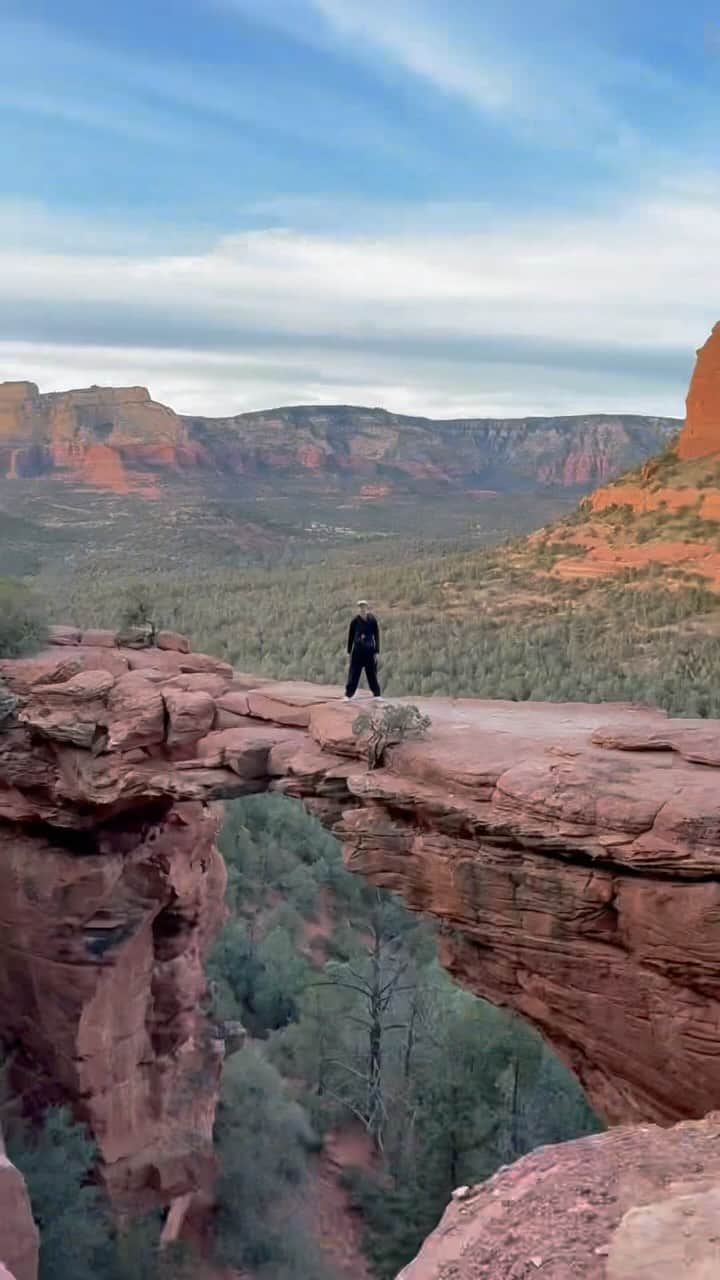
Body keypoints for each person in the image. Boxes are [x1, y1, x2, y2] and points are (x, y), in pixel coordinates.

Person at [344, 599, 382, 701]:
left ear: (367, 608)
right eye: (360, 607)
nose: (362, 609)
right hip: (357, 652)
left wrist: (377, 651)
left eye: (364, 607)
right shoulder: (355, 621)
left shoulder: (372, 620)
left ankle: (377, 694)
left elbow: (377, 635)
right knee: (354, 673)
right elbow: (350, 637)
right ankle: (348, 695)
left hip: (370, 651)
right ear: (358, 609)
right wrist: (349, 652)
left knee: (372, 673)